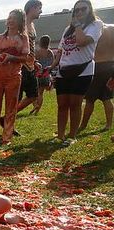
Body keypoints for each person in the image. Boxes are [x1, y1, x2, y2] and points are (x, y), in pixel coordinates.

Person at [51, 0, 104, 146]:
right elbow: (61, 50)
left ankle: (72, 136)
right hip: (64, 70)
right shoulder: (68, 29)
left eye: (83, 9)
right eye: (76, 10)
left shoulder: (95, 25)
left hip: (83, 70)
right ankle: (60, 135)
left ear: (90, 10)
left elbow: (81, 42)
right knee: (62, 104)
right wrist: (53, 65)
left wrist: (78, 26)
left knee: (75, 104)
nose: (79, 12)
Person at [0, 9, 30, 145]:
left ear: (20, 21)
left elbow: (25, 58)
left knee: (11, 108)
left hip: (13, 77)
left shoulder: (23, 39)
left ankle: (7, 137)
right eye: (9, 17)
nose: (10, 20)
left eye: (14, 18)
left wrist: (12, 57)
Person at [78, 23, 114, 132]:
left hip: (97, 65)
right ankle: (108, 125)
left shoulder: (94, 29)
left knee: (90, 99)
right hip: (110, 65)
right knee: (106, 97)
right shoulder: (111, 28)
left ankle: (83, 125)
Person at [14, 0, 44, 122]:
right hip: (21, 65)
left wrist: (34, 60)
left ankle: (7, 118)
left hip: (30, 65)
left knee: (33, 95)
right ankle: (8, 122)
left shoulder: (32, 25)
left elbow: (30, 46)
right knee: (18, 97)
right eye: (39, 8)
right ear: (32, 8)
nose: (41, 11)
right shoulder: (22, 24)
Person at [31, 35, 56, 114]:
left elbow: (33, 63)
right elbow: (52, 63)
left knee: (34, 93)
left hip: (38, 74)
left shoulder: (37, 52)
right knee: (41, 93)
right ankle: (37, 111)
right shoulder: (50, 52)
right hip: (46, 75)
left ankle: (35, 105)